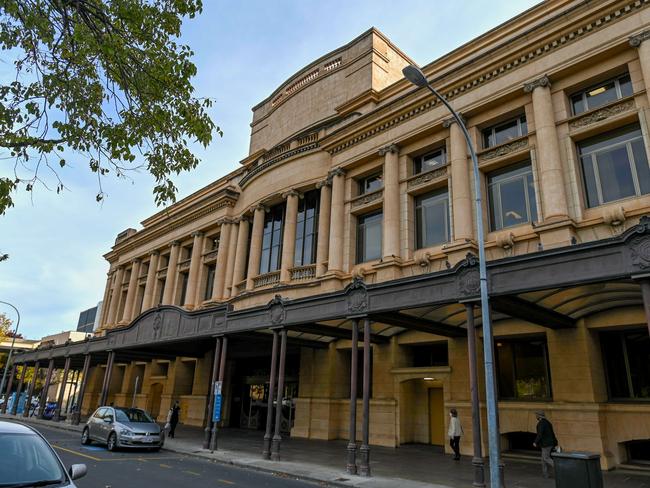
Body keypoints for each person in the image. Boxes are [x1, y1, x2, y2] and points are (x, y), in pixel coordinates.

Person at [533, 410, 558, 478]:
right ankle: (545, 474)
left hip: (546, 444)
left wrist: (535, 442)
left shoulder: (541, 423)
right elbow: (552, 433)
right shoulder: (548, 422)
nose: (536, 416)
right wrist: (555, 442)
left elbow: (540, 434)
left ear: (539, 416)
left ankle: (558, 469)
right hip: (549, 443)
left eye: (536, 415)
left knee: (546, 458)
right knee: (543, 460)